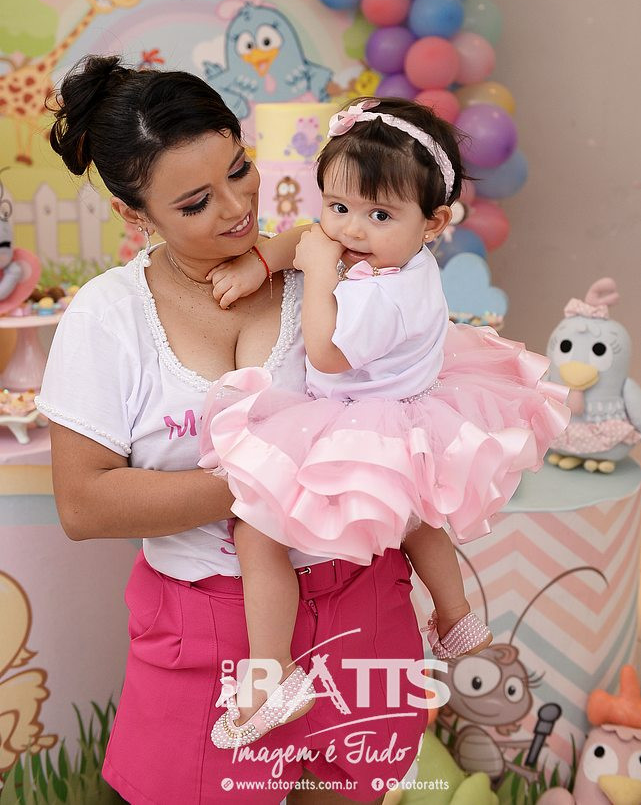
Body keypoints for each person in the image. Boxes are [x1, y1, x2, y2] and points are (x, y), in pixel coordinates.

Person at [37, 59, 429, 805]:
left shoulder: (331, 268)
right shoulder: (109, 316)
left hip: (360, 603)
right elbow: (84, 504)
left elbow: (408, 398)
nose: (236, 207)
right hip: (207, 627)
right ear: (134, 215)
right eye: (195, 203)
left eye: (240, 169)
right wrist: (269, 476)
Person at [199, 98, 571, 746]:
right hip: (411, 407)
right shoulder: (397, 256)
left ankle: (270, 673)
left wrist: (318, 272)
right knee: (419, 520)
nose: (350, 230)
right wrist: (262, 262)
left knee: (257, 529)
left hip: (360, 416)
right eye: (338, 205)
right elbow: (307, 236)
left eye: (378, 215)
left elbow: (325, 352)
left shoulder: (383, 294)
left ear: (434, 222)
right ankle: (456, 617)